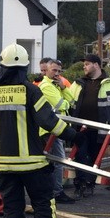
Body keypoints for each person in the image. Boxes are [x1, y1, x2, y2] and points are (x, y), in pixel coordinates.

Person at [0, 44, 80, 218]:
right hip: (32, 164)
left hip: (3, 163)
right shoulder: (31, 90)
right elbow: (49, 122)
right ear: (25, 67)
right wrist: (75, 136)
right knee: (43, 204)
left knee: (12, 205)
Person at [65, 53, 110, 197]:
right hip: (80, 129)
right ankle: (80, 184)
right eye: (84, 64)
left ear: (96, 65)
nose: (84, 67)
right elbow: (68, 102)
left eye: (87, 64)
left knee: (94, 158)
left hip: (101, 129)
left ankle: (89, 184)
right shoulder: (78, 83)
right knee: (80, 156)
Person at [36, 58, 75, 204]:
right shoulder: (46, 86)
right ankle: (57, 192)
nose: (57, 74)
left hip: (57, 128)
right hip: (50, 130)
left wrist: (64, 89)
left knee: (52, 162)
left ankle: (51, 191)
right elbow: (61, 105)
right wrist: (64, 99)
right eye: (54, 70)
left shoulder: (56, 85)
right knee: (58, 161)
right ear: (47, 70)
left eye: (59, 71)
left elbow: (71, 101)